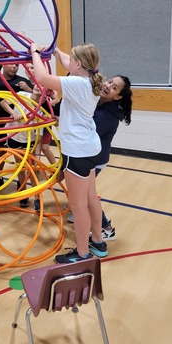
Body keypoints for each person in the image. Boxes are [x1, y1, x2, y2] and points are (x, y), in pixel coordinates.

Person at [31, 43, 107, 263]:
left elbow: (43, 78)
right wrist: (54, 51)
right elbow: (67, 61)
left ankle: (82, 253)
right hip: (90, 147)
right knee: (91, 197)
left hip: (77, 150)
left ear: (79, 64)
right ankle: (98, 242)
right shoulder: (92, 77)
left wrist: (35, 52)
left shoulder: (76, 83)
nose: (67, 61)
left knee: (78, 205)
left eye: (72, 59)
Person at [57, 75, 133, 241]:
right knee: (83, 194)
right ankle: (83, 214)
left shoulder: (107, 116)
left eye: (114, 88)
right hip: (91, 156)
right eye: (110, 81)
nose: (108, 86)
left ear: (118, 96)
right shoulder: (100, 101)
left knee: (86, 196)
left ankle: (106, 228)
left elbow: (81, 134)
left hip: (94, 159)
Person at [0, 63, 33, 191]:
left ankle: (22, 185)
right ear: (4, 65)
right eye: (12, 64)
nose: (15, 67)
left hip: (17, 125)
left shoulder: (22, 82)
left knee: (19, 156)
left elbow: (35, 99)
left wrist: (27, 89)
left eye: (17, 65)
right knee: (0, 153)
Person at [0, 83, 44, 210]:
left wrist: (38, 156)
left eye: (42, 86)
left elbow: (39, 138)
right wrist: (13, 112)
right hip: (14, 137)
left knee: (32, 170)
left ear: (45, 92)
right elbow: (3, 102)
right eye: (37, 84)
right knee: (21, 168)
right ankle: (23, 194)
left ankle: (37, 198)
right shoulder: (22, 95)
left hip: (29, 141)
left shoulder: (40, 109)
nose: (38, 86)